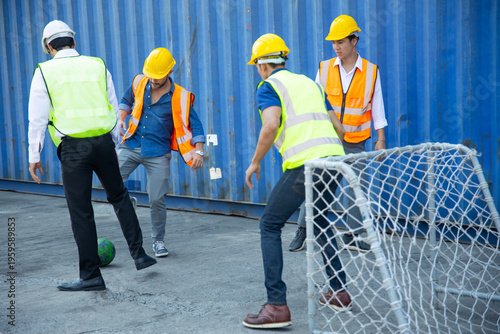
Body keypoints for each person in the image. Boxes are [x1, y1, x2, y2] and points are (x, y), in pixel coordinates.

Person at [28, 20, 156, 292]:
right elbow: (112, 106)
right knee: (119, 196)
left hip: (74, 149)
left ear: (48, 46)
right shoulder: (97, 64)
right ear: (73, 42)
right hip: (103, 143)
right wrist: (110, 141)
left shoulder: (44, 71)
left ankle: (91, 276)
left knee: (81, 210)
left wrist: (34, 154)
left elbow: (37, 118)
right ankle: (140, 255)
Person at [243, 33, 351, 329]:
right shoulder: (311, 84)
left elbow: (271, 124)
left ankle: (276, 305)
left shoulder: (269, 86)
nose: (257, 70)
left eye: (256, 65)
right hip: (334, 160)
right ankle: (339, 292)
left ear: (263, 65)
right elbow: (338, 128)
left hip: (306, 165)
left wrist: (254, 163)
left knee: (269, 224)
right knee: (323, 220)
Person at [289, 14, 388, 253]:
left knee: (357, 189)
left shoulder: (371, 72)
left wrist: (381, 138)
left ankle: (353, 235)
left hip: (356, 141)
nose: (336, 47)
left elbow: (377, 106)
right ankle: (303, 229)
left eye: (341, 42)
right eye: (333, 42)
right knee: (314, 185)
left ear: (354, 41)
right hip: (327, 141)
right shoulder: (324, 69)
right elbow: (314, 101)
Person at [118, 48, 205, 257]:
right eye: (151, 76)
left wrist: (199, 152)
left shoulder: (180, 97)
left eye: (157, 77)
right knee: (111, 180)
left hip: (158, 152)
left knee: (157, 199)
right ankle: (126, 203)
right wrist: (121, 117)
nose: (153, 80)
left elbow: (197, 125)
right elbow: (126, 101)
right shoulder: (140, 82)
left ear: (169, 72)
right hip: (131, 144)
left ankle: (158, 241)